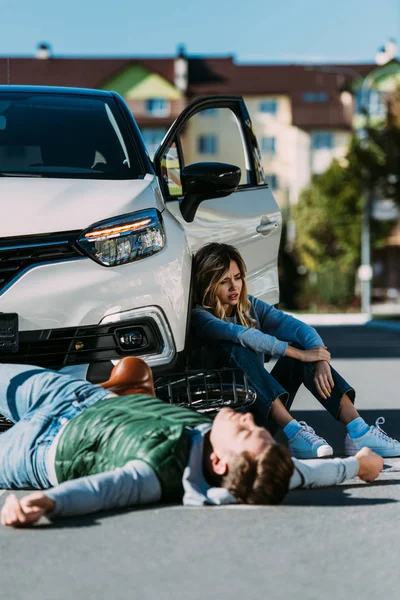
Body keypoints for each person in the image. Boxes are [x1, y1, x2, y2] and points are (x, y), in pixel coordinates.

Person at [0, 360, 383, 527]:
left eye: (246, 432)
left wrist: (49, 502)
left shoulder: (156, 473)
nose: (249, 419)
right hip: (78, 397)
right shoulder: (256, 470)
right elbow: (304, 473)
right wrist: (358, 465)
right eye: (256, 428)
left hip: (39, 448)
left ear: (218, 464)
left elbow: (101, 491)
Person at [191, 242, 400, 460]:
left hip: (261, 410)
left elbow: (299, 328)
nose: (234, 287)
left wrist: (319, 359)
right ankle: (296, 433)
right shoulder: (201, 317)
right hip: (232, 424)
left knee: (302, 347)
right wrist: (300, 354)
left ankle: (359, 432)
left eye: (237, 277)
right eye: (224, 281)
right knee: (238, 348)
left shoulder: (249, 306)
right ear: (208, 284)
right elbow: (244, 336)